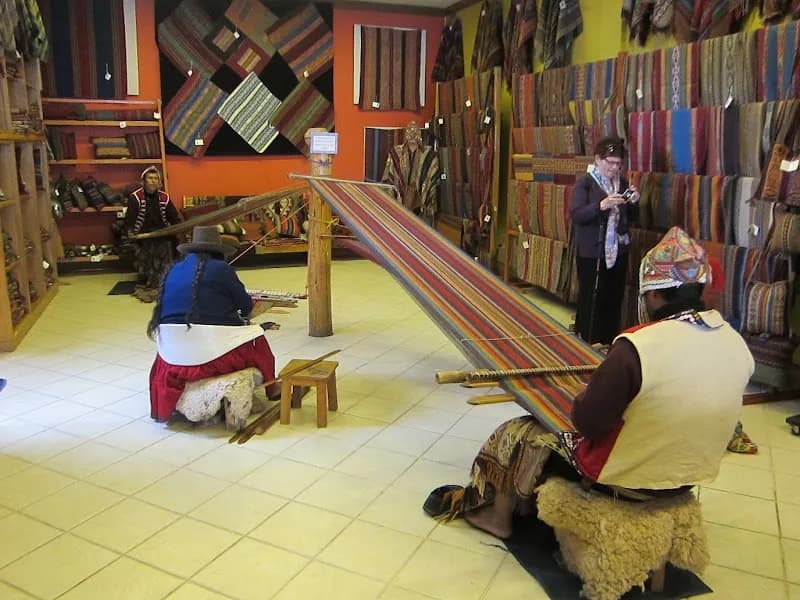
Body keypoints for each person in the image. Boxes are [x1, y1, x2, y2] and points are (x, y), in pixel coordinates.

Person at [425, 227, 755, 540]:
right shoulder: (735, 343)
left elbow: (589, 422)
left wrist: (582, 396)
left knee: (522, 431)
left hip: (631, 477)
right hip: (690, 476)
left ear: (653, 295)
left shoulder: (638, 347)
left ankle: (498, 519)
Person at [146, 226, 278, 423]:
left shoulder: (173, 269)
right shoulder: (221, 269)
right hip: (208, 355)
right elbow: (246, 306)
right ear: (218, 251)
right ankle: (273, 388)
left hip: (171, 353)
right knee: (256, 339)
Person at [570, 137, 639, 345]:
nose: (614, 167)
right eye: (610, 162)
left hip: (619, 250)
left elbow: (633, 218)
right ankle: (587, 339)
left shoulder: (622, 183)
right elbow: (577, 215)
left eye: (618, 163)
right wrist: (601, 206)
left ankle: (609, 340)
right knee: (592, 296)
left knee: (613, 296)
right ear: (598, 160)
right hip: (592, 250)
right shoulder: (585, 184)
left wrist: (634, 202)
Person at [125, 166, 182, 303]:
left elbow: (173, 217)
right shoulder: (135, 198)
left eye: (156, 178)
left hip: (162, 233)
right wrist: (130, 232)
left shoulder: (164, 198)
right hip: (143, 236)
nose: (153, 181)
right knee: (148, 254)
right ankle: (149, 281)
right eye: (150, 178)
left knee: (168, 248)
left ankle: (164, 281)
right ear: (143, 181)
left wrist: (179, 228)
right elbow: (130, 219)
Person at [381, 121, 440, 219]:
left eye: (415, 132)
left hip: (421, 204)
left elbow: (432, 179)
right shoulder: (396, 153)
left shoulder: (429, 155)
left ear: (419, 134)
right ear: (405, 134)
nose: (412, 134)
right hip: (399, 202)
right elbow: (389, 177)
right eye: (409, 132)